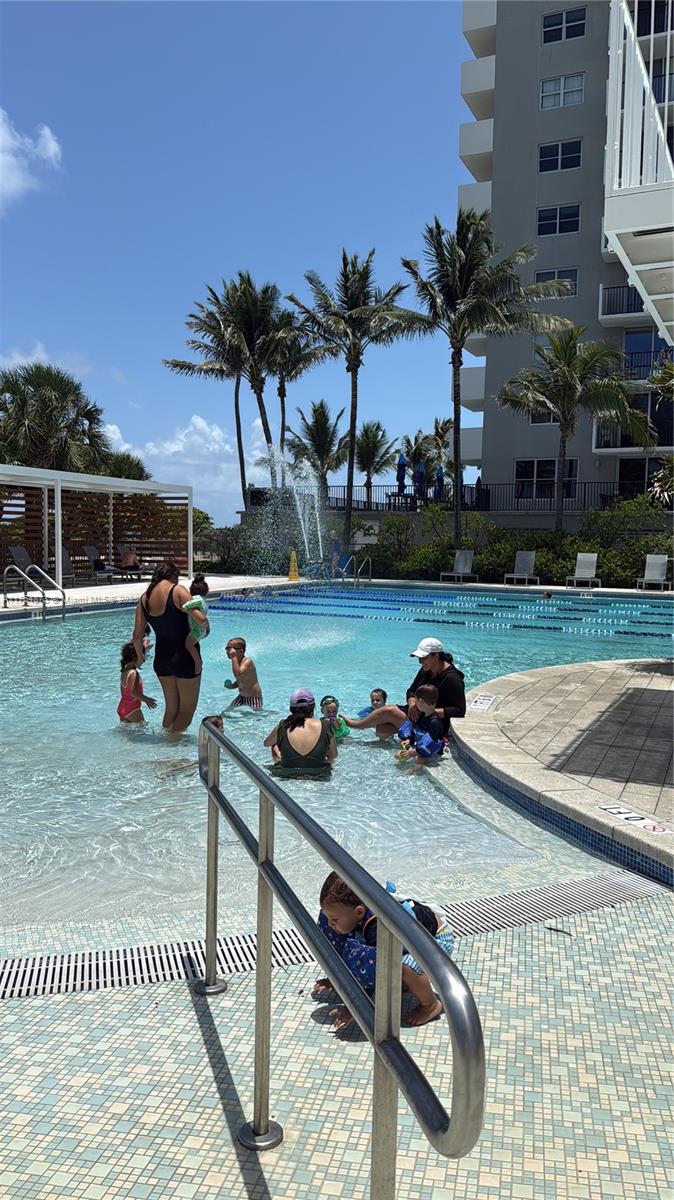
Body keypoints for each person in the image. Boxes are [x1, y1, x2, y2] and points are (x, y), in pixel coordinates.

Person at [313, 872, 453, 1029]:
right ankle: (404, 984)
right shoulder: (360, 910)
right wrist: (336, 977)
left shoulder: (377, 928)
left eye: (335, 919)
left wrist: (357, 1004)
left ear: (359, 912)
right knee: (344, 935)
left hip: (434, 942)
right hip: (404, 940)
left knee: (404, 967)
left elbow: (372, 967)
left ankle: (430, 1005)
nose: (331, 923)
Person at [343, 637, 466, 740]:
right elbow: (411, 691)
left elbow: (460, 710)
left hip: (432, 721)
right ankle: (409, 740)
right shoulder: (426, 670)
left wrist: (429, 711)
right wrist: (413, 704)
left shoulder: (452, 678)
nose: (420, 661)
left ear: (436, 656)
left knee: (388, 711)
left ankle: (356, 725)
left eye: (424, 658)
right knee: (382, 730)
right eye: (419, 658)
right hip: (418, 714)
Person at [132, 561, 202, 733]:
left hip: (162, 658)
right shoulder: (178, 591)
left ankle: (165, 748)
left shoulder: (144, 598)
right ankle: (171, 747)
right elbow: (199, 619)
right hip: (184, 656)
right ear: (174, 576)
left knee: (171, 709)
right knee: (187, 711)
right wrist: (205, 624)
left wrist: (140, 657)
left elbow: (137, 635)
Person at [264, 688, 337, 771]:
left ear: (292, 708)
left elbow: (266, 743)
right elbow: (334, 754)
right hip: (319, 773)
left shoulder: (283, 725)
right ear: (313, 707)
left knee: (274, 743)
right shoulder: (325, 725)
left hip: (286, 773)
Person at [394, 685, 445, 768]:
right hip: (420, 746)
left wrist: (412, 752)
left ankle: (412, 771)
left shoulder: (434, 722)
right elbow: (415, 730)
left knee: (418, 759)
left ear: (421, 701)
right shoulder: (421, 715)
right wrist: (409, 740)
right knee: (397, 755)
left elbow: (431, 744)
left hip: (431, 751)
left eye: (416, 701)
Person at [117, 641, 157, 724]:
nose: (144, 659)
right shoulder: (134, 673)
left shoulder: (125, 672)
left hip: (122, 707)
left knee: (126, 735)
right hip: (132, 709)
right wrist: (147, 700)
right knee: (143, 731)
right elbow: (133, 693)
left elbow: (124, 693)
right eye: (143, 656)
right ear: (135, 657)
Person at [224, 637, 263, 708]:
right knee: (229, 710)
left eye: (230, 649)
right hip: (241, 696)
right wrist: (232, 686)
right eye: (227, 648)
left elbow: (238, 674)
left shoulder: (247, 662)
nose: (228, 651)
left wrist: (233, 657)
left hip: (253, 697)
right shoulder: (237, 661)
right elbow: (242, 679)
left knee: (255, 716)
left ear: (241, 651)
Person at [183, 574, 210, 672]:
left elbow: (188, 605)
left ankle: (198, 662)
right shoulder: (203, 600)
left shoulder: (197, 599)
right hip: (201, 630)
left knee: (188, 645)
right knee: (191, 645)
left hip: (197, 630)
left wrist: (184, 607)